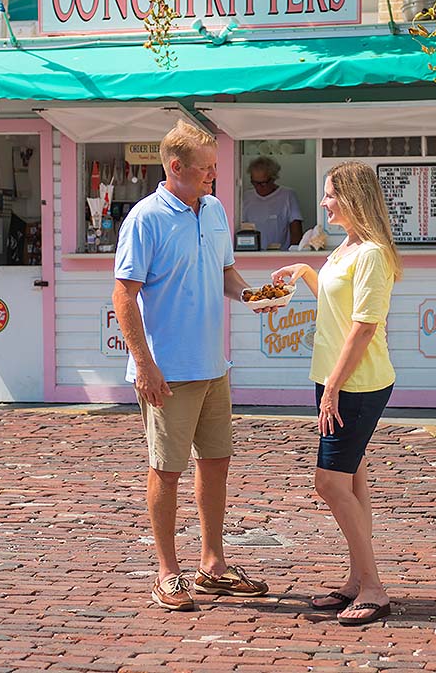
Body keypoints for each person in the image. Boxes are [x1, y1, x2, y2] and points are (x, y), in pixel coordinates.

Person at [112, 119, 269, 612]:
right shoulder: (145, 219)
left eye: (216, 169)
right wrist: (144, 365)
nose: (214, 178)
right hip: (168, 372)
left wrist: (251, 295)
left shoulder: (216, 209)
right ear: (175, 167)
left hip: (212, 365)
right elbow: (123, 295)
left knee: (216, 463)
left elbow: (224, 272)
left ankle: (212, 565)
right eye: (206, 169)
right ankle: (167, 573)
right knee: (166, 469)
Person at [272, 161, 401, 627]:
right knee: (352, 481)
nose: (324, 202)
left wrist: (332, 388)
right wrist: (306, 271)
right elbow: (335, 300)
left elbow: (365, 327)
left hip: (355, 384)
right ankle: (356, 580)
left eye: (329, 194)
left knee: (328, 483)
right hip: (335, 379)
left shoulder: (371, 253)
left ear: (351, 198)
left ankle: (373, 587)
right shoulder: (346, 248)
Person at [242, 155, 303, 249]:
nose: (258, 187)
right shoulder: (246, 197)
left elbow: (296, 229)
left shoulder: (287, 196)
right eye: (254, 183)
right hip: (252, 253)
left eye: (263, 183)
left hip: (281, 253)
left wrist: (294, 252)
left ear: (273, 178)